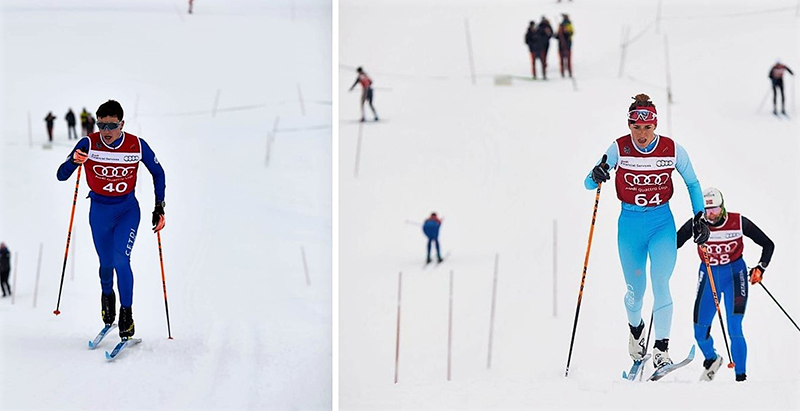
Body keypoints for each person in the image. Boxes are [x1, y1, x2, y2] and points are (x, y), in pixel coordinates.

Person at [585, 93, 707, 370]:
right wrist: (596, 175)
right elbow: (588, 184)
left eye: (647, 127)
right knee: (635, 292)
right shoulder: (618, 148)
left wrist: (699, 217)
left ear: (655, 125)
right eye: (636, 127)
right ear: (629, 125)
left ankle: (662, 349)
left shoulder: (672, 150)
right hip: (630, 226)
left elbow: (692, 183)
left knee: (661, 282)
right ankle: (636, 331)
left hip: (661, 223)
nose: (642, 134)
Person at [56, 100, 166, 340]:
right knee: (105, 264)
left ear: (122, 124)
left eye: (112, 126)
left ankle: (126, 314)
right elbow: (61, 175)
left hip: (127, 211)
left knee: (120, 260)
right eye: (101, 125)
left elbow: (158, 172)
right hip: (99, 212)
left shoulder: (136, 145)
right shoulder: (88, 143)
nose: (106, 131)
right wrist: (74, 161)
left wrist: (159, 206)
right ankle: (108, 299)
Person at [677, 187, 774, 382]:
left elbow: (768, 244)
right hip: (709, 276)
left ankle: (741, 378)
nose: (710, 214)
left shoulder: (738, 222)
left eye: (714, 209)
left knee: (734, 327)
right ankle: (712, 358)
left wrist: (760, 268)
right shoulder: (697, 223)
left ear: (722, 207)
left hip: (735, 276)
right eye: (706, 209)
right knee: (699, 331)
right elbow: (673, 243)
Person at [556, 13, 574, 78]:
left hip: (567, 45)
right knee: (562, 61)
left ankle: (569, 73)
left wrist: (566, 33)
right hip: (561, 46)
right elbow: (557, 35)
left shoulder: (569, 25)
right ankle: (563, 73)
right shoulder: (561, 25)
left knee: (567, 61)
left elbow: (571, 33)